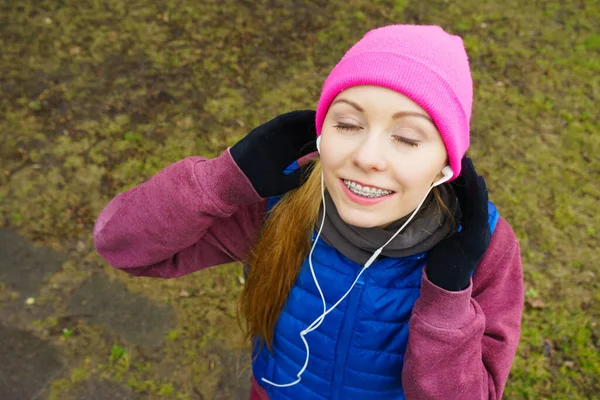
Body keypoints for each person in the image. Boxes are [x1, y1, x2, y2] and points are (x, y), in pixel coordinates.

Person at [94, 24, 524, 400]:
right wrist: (219, 182)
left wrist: (448, 300)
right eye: (348, 125)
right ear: (320, 134)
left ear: (446, 163)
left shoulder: (481, 250)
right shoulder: (279, 204)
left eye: (408, 138)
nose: (367, 157)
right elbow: (122, 246)